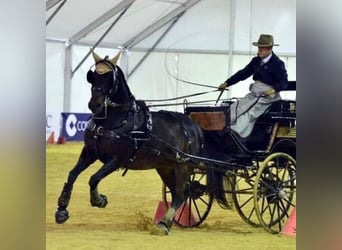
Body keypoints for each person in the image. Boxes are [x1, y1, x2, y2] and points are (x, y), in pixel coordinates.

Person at [218, 34, 288, 138]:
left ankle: (235, 133)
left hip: (268, 98)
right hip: (255, 94)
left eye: (262, 48)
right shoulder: (256, 61)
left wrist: (273, 89)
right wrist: (227, 83)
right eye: (259, 47)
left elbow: (283, 82)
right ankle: (222, 126)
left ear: (269, 49)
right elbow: (243, 74)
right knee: (236, 106)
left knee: (249, 112)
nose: (259, 50)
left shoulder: (278, 64)